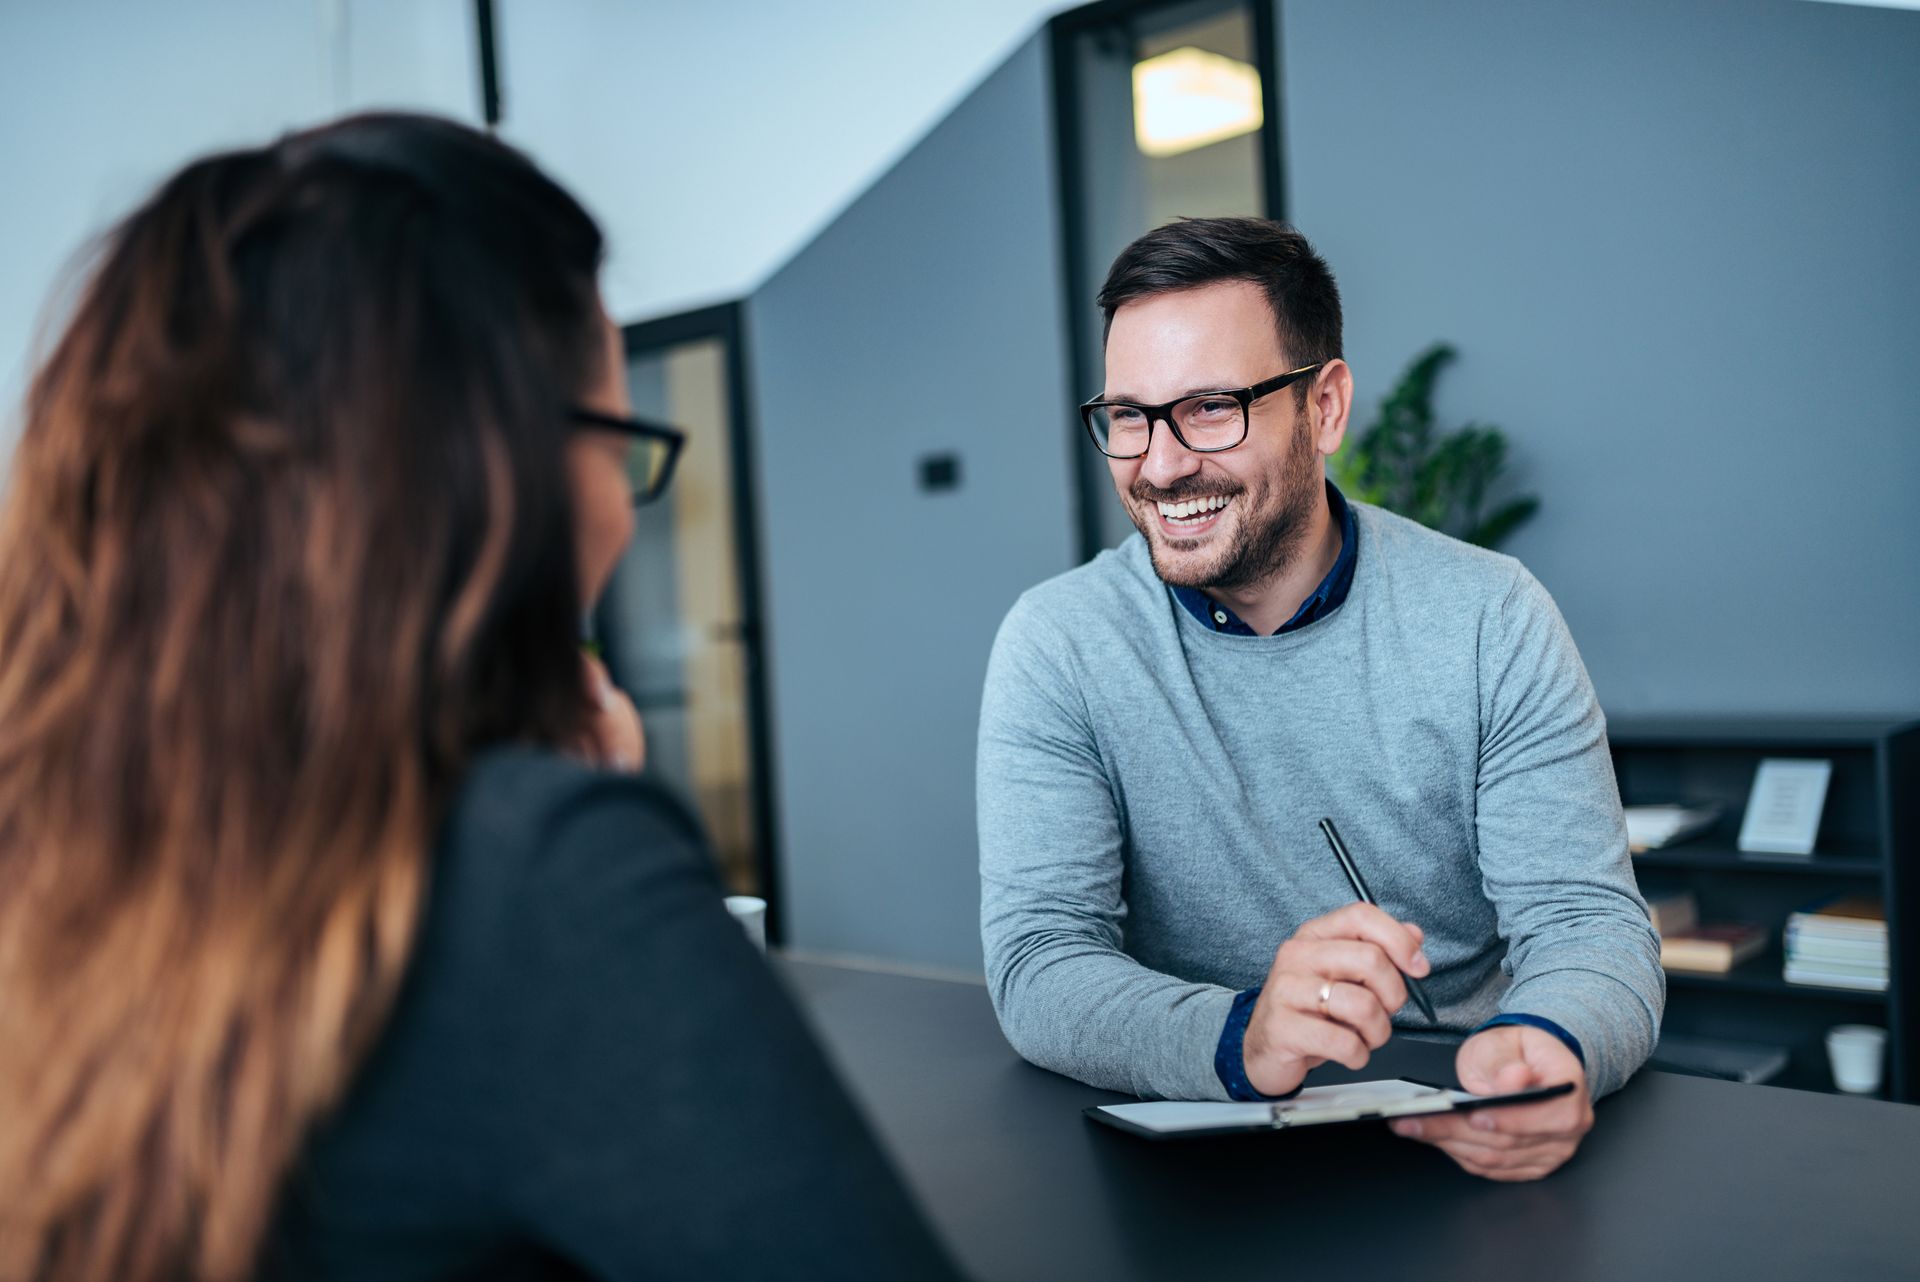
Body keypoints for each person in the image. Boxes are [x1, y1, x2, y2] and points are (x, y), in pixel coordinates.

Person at [0, 114, 960, 1281]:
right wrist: (578, 831)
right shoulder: (538, 876)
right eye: (620, 443)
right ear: (492, 471)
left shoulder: (54, 841)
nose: (623, 511)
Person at [978, 216, 1663, 1182]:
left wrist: (1550, 1044)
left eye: (1211, 406)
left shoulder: (1488, 615)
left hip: (1458, 1131)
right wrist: (1245, 1036)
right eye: (1130, 415)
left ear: (1326, 406)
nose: (1162, 463)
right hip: (1193, 1153)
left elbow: (1587, 925)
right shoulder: (1060, 643)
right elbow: (1041, 963)